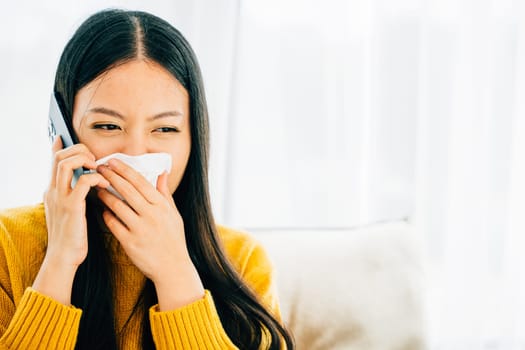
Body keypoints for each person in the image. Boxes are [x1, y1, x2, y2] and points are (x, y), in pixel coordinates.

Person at [0, 9, 294, 350]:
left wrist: (175, 274)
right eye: (107, 126)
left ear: (193, 140)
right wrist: (60, 261)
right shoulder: (8, 244)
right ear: (63, 132)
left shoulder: (242, 260)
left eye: (165, 129)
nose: (137, 154)